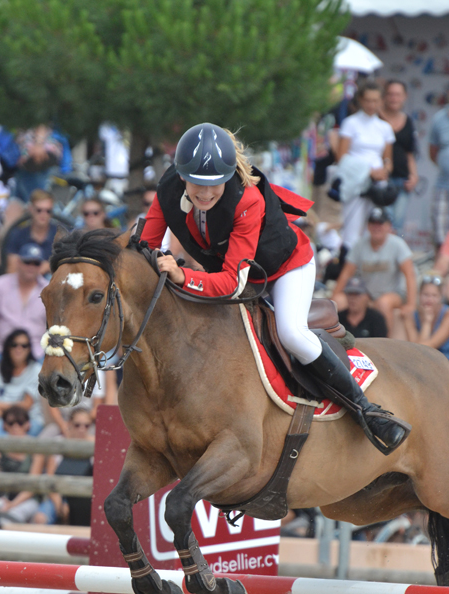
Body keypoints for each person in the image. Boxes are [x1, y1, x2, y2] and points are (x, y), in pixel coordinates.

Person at [143, 122, 408, 454]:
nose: (206, 193)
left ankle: (366, 410)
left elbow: (231, 283)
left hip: (285, 268)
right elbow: (143, 246)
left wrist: (184, 277)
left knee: (291, 333)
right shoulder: (167, 189)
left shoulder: (246, 199)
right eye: (197, 184)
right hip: (234, 274)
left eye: (216, 184)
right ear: (182, 175)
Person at [332, 206, 417, 333]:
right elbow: (346, 274)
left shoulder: (398, 245)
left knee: (383, 303)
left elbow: (409, 274)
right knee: (338, 301)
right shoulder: (360, 245)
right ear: (368, 226)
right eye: (373, 223)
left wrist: (411, 305)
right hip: (365, 294)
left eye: (380, 223)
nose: (376, 227)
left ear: (389, 226)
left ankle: (386, 344)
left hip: (393, 293)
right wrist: (333, 297)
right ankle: (335, 342)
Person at [337, 81, 395, 250]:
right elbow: (342, 156)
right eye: (368, 100)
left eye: (376, 100)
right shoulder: (351, 123)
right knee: (353, 227)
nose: (372, 105)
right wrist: (368, 171)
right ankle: (348, 266)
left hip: (377, 183)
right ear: (361, 100)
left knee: (376, 225)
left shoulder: (384, 127)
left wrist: (385, 170)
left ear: (381, 101)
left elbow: (388, 159)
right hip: (356, 180)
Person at [0, 242, 48, 367]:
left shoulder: (49, 290)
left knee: (53, 377)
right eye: (27, 262)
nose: (31, 267)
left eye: (36, 263)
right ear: (18, 262)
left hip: (35, 351)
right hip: (1, 349)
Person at [0, 404, 41, 524]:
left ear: (28, 424)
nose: (15, 427)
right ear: (4, 425)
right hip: (2, 497)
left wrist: (12, 504)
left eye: (20, 422)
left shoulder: (36, 449)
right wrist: (3, 500)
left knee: (8, 519)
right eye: (11, 423)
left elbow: (32, 487)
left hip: (26, 499)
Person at [33, 406, 94, 525]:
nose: (82, 429)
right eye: (77, 425)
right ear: (69, 423)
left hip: (85, 498)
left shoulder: (96, 445)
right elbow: (50, 477)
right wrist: (58, 501)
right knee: (40, 518)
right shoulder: (59, 443)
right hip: (59, 494)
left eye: (86, 425)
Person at [0, 328, 45, 435]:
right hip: (3, 420)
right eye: (14, 345)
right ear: (8, 347)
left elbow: (26, 405)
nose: (19, 349)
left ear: (29, 349)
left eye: (24, 345)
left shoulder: (36, 370)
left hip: (29, 420)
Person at [379, 80, 418, 236]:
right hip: (381, 180)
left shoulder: (408, 121)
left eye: (398, 95)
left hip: (402, 179)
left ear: (405, 97)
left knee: (398, 224)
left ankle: (395, 260)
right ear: (384, 96)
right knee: (382, 222)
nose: (394, 98)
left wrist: (414, 175)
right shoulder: (377, 119)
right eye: (390, 94)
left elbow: (409, 152)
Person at [5, 189, 58, 275]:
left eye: (48, 211)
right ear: (31, 209)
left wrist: (48, 266)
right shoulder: (17, 235)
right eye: (39, 210)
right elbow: (11, 271)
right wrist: (37, 269)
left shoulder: (62, 237)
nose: (43, 214)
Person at [401, 275, 449, 359]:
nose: (429, 299)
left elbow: (430, 346)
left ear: (440, 297)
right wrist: (427, 322)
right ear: (419, 295)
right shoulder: (411, 316)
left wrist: (427, 322)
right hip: (422, 360)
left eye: (434, 296)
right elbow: (416, 348)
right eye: (426, 295)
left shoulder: (446, 315)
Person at [429, 95, 449, 249]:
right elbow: (433, 152)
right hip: (443, 184)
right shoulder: (439, 118)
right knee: (439, 233)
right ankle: (441, 271)